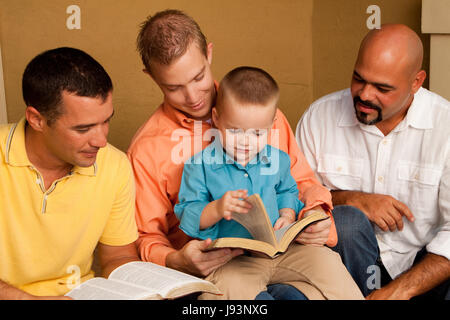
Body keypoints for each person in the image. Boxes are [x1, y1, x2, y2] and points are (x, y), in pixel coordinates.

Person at [127, 9, 337, 299]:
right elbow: (146, 236)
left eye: (198, 77)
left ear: (209, 54)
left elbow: (300, 182)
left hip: (281, 250)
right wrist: (176, 260)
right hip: (213, 267)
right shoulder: (146, 149)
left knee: (350, 225)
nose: (192, 96)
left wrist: (313, 212)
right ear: (151, 77)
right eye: (174, 88)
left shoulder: (260, 112)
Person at [174, 66, 363, 300]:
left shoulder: (278, 160)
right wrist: (218, 208)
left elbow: (287, 191)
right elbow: (188, 212)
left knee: (329, 263)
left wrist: (287, 214)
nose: (245, 143)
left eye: (257, 134)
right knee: (220, 293)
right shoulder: (199, 165)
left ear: (272, 125)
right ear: (216, 118)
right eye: (235, 131)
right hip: (234, 261)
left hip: (284, 251)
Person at [296, 24, 450, 299]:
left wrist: (399, 292)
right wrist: (350, 199)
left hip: (423, 269)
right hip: (342, 264)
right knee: (347, 222)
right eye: (358, 79)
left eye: (382, 88)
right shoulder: (319, 117)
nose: (365, 95)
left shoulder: (445, 126)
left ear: (416, 82)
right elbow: (292, 200)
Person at [0, 47, 140, 299]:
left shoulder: (116, 165)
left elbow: (119, 256)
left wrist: (137, 289)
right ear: (37, 119)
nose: (101, 140)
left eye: (106, 120)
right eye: (83, 128)